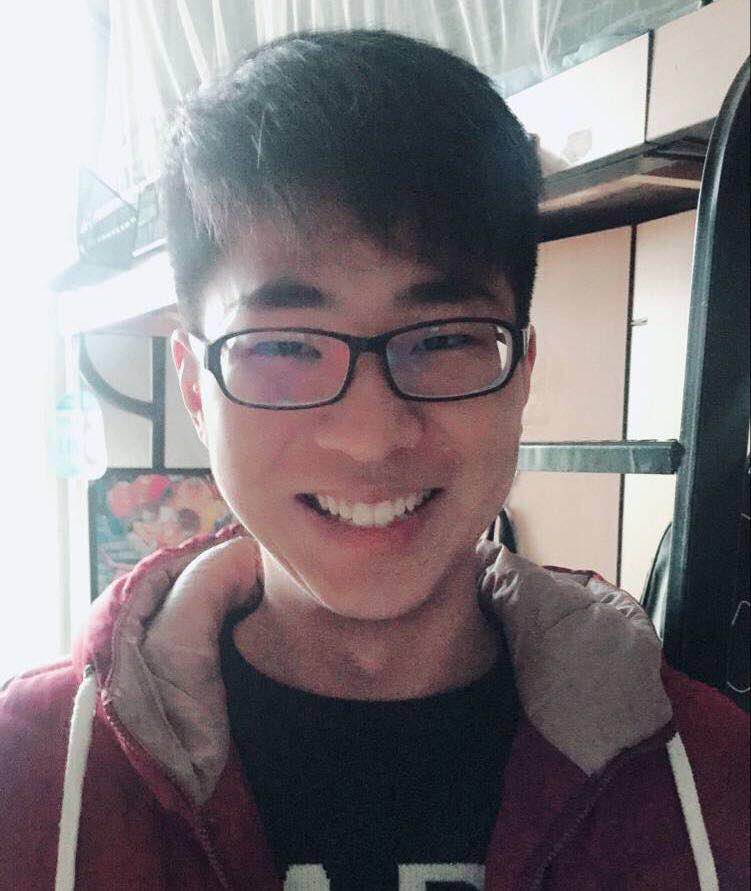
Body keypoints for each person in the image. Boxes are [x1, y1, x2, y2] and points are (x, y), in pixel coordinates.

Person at [0, 30, 748, 891]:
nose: (370, 435)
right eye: (284, 346)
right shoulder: (34, 777)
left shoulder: (714, 783)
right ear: (196, 389)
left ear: (521, 373)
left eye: (442, 339)